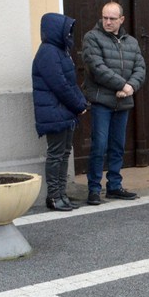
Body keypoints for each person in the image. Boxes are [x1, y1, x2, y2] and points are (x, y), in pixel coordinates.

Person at [81, 1, 146, 205]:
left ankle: (115, 186)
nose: (107, 22)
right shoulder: (92, 38)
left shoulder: (131, 42)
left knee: (118, 146)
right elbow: (97, 67)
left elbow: (140, 67)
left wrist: (131, 87)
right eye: (105, 17)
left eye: (112, 18)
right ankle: (93, 188)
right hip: (102, 101)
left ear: (121, 19)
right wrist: (123, 85)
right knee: (99, 146)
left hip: (123, 102)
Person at [31, 12, 89, 212]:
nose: (69, 34)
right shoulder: (48, 52)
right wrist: (78, 105)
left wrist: (81, 103)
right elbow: (60, 85)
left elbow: (70, 83)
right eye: (67, 30)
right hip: (55, 112)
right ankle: (54, 197)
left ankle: (62, 194)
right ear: (56, 30)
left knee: (64, 154)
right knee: (56, 154)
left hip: (64, 112)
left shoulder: (60, 50)